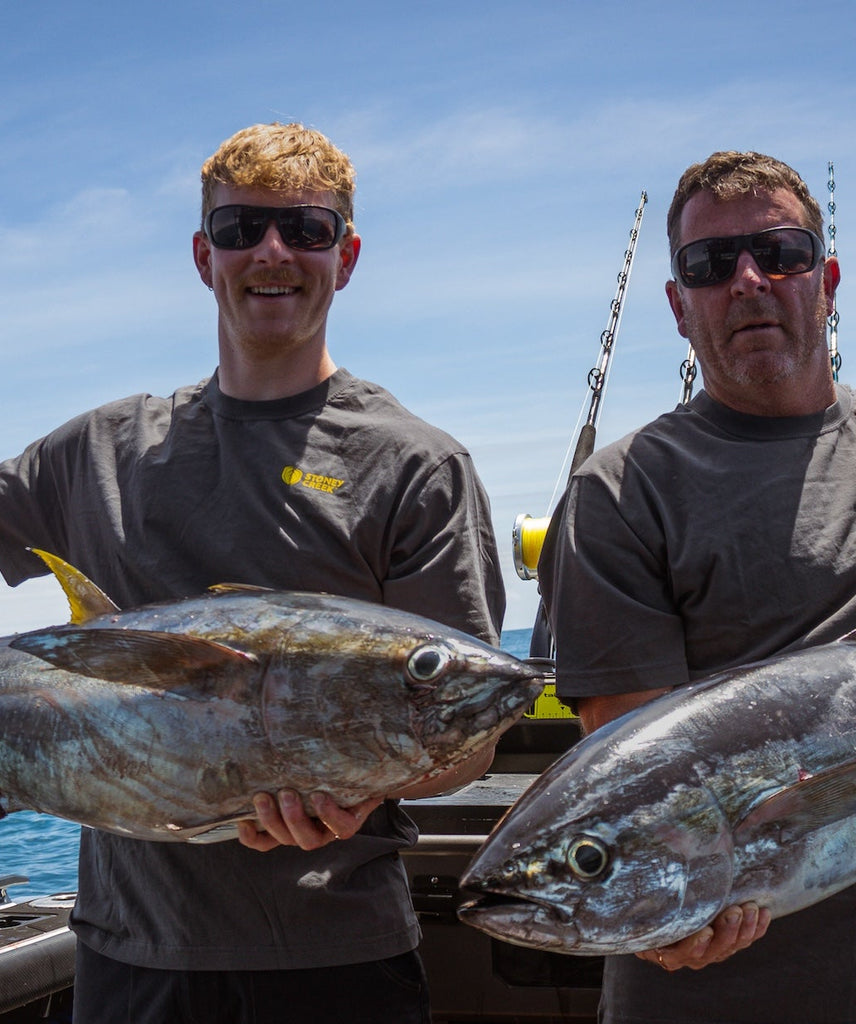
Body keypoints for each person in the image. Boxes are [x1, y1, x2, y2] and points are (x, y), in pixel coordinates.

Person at [0, 122, 505, 1023]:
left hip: (337, 955)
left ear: (345, 257)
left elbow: (467, 740)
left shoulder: (416, 468)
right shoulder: (97, 454)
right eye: (242, 229)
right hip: (129, 951)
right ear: (206, 257)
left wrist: (364, 789)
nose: (273, 252)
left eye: (305, 228)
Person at [537, 151, 856, 1023]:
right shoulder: (621, 493)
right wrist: (649, 921)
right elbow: (638, 793)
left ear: (826, 281)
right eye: (710, 264)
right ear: (678, 305)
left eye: (782, 252)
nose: (749, 280)